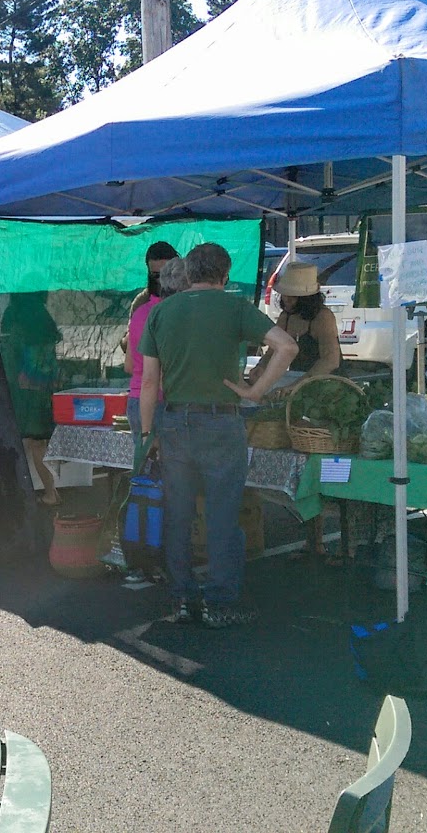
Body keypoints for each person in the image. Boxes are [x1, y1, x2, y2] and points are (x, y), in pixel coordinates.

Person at [139, 243, 297, 629]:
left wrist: (147, 434)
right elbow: (287, 346)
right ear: (224, 275)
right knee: (222, 515)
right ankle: (219, 603)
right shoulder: (235, 308)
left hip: (175, 422)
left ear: (189, 274)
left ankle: (180, 600)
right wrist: (254, 391)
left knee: (177, 514)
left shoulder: (160, 313)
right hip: (221, 422)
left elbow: (148, 382)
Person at [0, 293, 63, 507]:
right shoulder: (44, 317)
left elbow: (9, 357)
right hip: (44, 389)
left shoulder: (14, 316)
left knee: (32, 443)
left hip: (23, 392)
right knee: (38, 442)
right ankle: (50, 491)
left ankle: (48, 494)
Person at [248, 261, 342, 385]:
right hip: (297, 380)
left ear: (307, 298)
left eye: (293, 296)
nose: (286, 299)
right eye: (284, 295)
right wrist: (262, 366)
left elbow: (331, 360)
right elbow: (274, 349)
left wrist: (300, 383)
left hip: (328, 384)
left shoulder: (323, 317)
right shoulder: (285, 316)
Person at [125, 242, 179, 439]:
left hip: (137, 400)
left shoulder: (141, 311)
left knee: (146, 466)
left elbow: (130, 365)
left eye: (163, 274)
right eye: (155, 275)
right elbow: (158, 376)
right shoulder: (173, 313)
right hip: (163, 403)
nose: (160, 280)